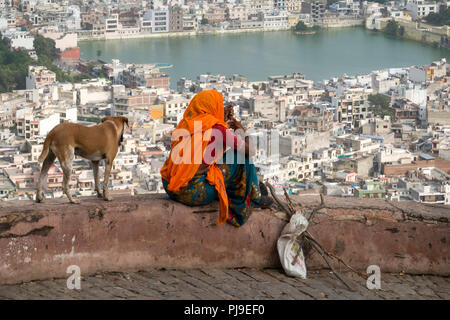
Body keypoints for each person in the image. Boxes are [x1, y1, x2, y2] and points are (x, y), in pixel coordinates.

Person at [160, 90, 272, 227]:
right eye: (219, 105)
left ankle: (251, 190)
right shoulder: (218, 129)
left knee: (220, 163)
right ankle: (255, 197)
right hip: (193, 193)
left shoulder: (187, 123)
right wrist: (241, 129)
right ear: (214, 108)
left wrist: (220, 117)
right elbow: (251, 151)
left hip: (170, 187)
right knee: (241, 157)